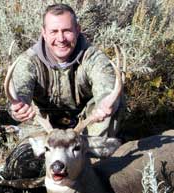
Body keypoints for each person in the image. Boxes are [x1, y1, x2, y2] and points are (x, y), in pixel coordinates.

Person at [8, 3, 122, 139]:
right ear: (44, 33)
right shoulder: (29, 61)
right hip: (45, 123)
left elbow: (106, 88)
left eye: (67, 31)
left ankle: (91, 153)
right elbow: (19, 93)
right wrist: (18, 108)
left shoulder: (93, 58)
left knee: (115, 100)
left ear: (77, 30)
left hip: (85, 123)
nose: (61, 39)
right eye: (54, 31)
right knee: (29, 144)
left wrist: (106, 104)